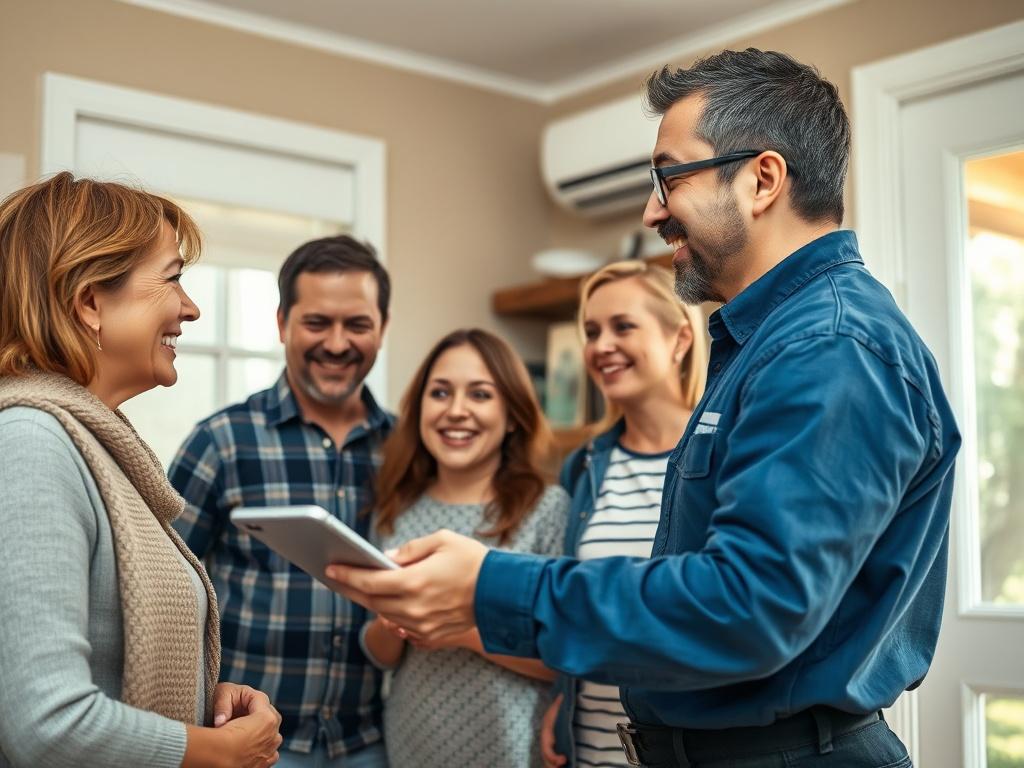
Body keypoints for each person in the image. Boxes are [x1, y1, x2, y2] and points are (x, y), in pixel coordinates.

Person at [326, 48, 961, 768]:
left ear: (762, 178)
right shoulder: (769, 343)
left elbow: (750, 606)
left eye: (669, 176)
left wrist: (489, 585)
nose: (652, 210)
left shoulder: (829, 346)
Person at [0, 173, 282, 768]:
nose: (191, 307)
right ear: (90, 302)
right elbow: (44, 725)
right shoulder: (32, 442)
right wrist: (219, 751)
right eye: (174, 279)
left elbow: (104, 669)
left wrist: (207, 707)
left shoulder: (94, 446)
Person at [170, 236, 393, 767]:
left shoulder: (407, 449)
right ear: (282, 324)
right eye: (317, 322)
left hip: (369, 742)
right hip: (250, 744)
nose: (337, 343)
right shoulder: (221, 441)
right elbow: (166, 595)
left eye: (357, 324)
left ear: (382, 327)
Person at [361, 328, 568, 767]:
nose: (457, 411)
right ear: (419, 410)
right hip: (412, 743)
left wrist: (457, 631)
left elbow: (559, 657)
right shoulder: (398, 508)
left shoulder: (546, 508)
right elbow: (380, 654)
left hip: (512, 748)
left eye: (480, 395)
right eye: (440, 393)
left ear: (512, 414)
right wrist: (390, 622)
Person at [539, 261, 707, 768]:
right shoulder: (585, 466)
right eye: (591, 332)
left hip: (691, 745)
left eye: (623, 326)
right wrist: (559, 701)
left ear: (680, 339)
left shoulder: (720, 455)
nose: (600, 346)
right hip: (590, 744)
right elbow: (570, 598)